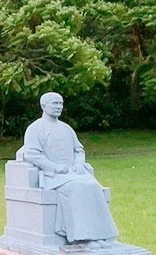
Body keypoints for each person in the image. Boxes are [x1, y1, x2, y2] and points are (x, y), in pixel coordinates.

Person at [21, 92, 119, 244]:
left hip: (73, 173)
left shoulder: (66, 128)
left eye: (61, 103)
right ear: (43, 106)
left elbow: (79, 150)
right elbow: (32, 154)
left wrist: (79, 163)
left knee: (93, 185)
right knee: (78, 188)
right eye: (55, 103)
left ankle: (101, 236)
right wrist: (54, 167)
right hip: (51, 176)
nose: (59, 107)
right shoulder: (35, 128)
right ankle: (83, 238)